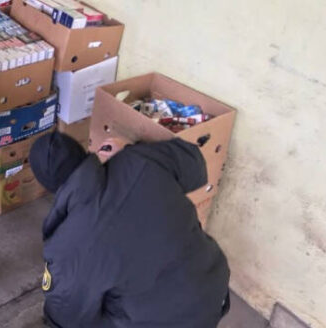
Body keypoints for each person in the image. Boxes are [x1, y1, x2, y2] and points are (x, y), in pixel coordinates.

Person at [28, 132, 231, 328]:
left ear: (49, 186)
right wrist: (131, 150)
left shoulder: (67, 247)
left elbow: (64, 317)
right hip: (214, 284)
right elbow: (195, 163)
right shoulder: (139, 159)